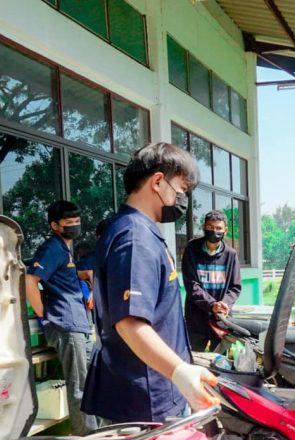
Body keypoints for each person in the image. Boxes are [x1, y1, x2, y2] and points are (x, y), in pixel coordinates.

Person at [82, 142, 218, 424]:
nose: (182, 198)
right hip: (145, 400)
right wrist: (180, 371)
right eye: (181, 189)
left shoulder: (139, 231)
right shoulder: (135, 238)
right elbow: (130, 323)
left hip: (153, 388)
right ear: (157, 182)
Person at [26, 201, 96, 435]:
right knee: (80, 386)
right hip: (66, 324)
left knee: (92, 381)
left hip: (79, 323)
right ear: (55, 225)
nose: (75, 226)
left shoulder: (66, 249)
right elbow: (30, 281)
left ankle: (98, 432)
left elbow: (63, 276)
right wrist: (44, 316)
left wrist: (86, 276)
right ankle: (86, 438)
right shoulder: (52, 248)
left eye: (77, 221)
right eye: (69, 222)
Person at [182, 210, 243, 352]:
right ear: (204, 227)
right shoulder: (191, 249)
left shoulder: (231, 254)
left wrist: (223, 304)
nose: (214, 231)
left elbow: (235, 287)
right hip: (196, 317)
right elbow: (191, 284)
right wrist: (211, 304)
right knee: (194, 357)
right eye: (210, 227)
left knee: (221, 358)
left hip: (221, 318)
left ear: (225, 230)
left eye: (218, 228)